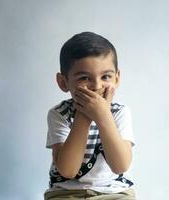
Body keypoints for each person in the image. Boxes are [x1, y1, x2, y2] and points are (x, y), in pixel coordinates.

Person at [44, 32, 136, 200]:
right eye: (85, 78)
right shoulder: (59, 114)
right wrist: (84, 116)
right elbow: (68, 170)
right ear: (63, 82)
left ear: (117, 78)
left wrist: (103, 116)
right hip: (66, 193)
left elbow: (120, 165)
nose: (96, 86)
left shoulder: (120, 112)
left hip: (115, 192)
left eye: (106, 76)